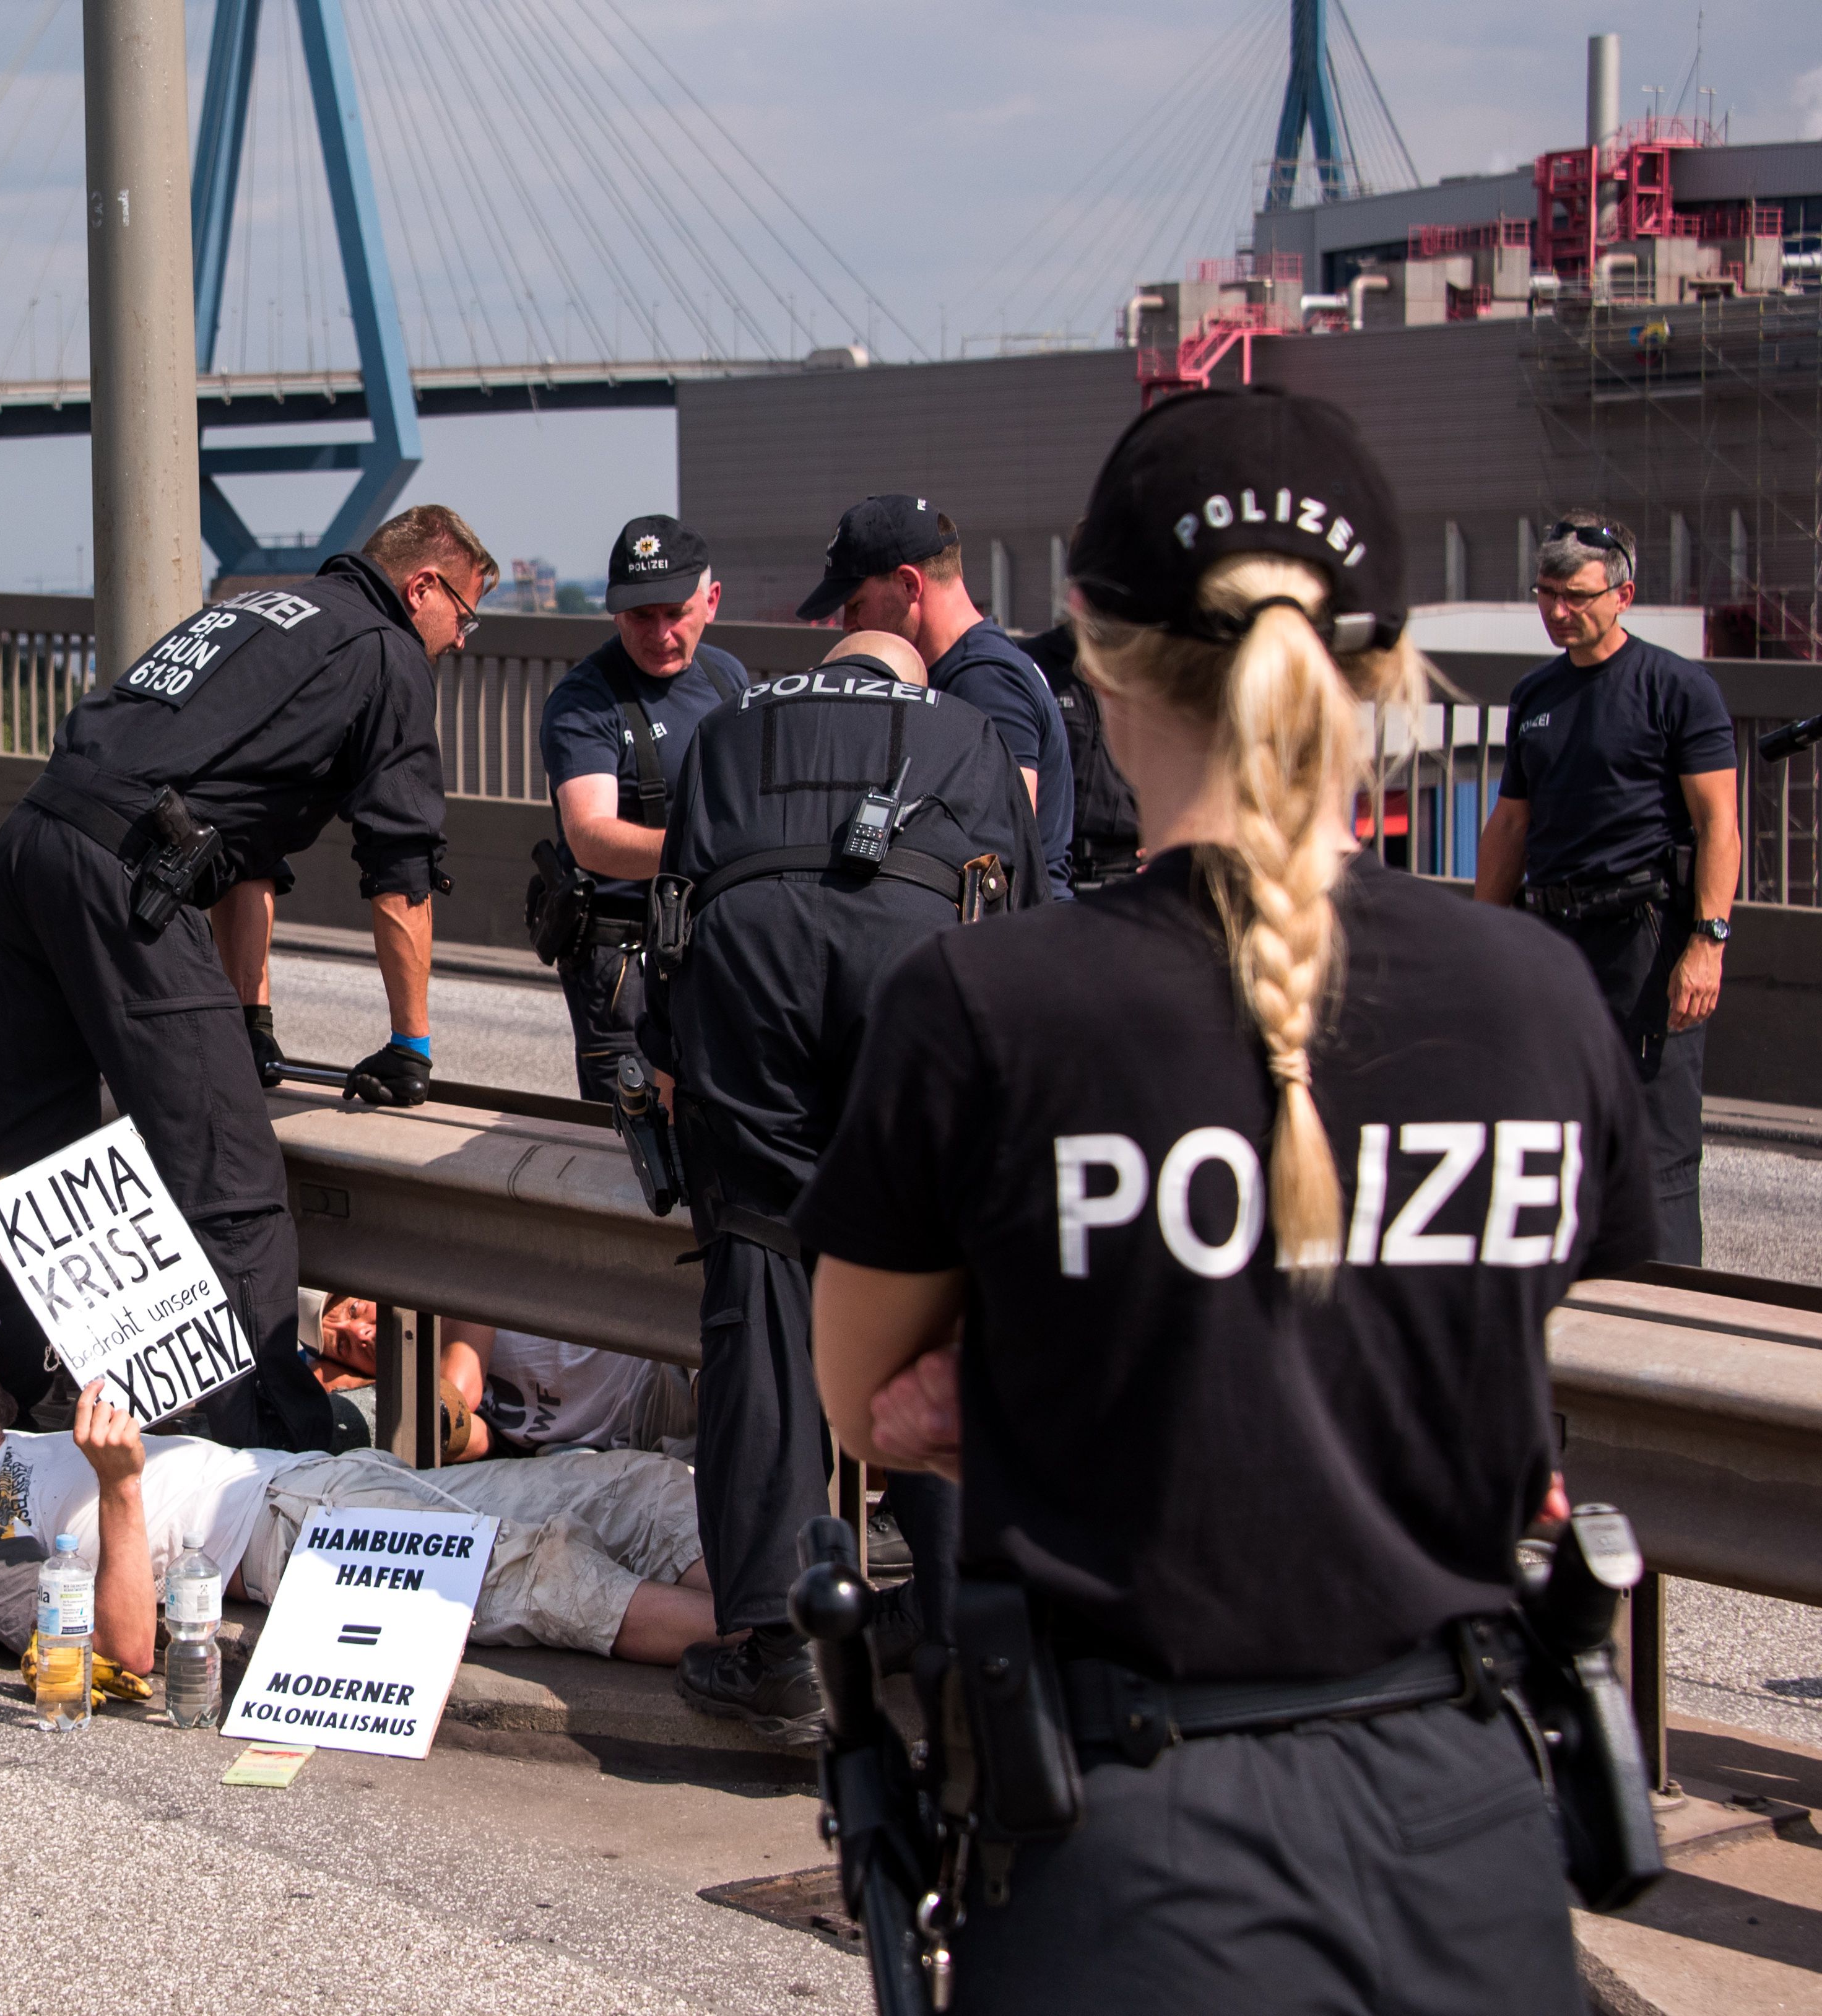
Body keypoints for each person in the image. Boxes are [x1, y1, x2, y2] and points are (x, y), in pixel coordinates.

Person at [802, 389, 1652, 2010]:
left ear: (1092, 645)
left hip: (1132, 1847)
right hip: (1469, 1825)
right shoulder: (1538, 997)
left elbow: (866, 1398)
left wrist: (1076, 1375)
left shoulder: (987, 1006)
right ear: (1381, 662)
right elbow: (1471, 1367)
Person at [0, 506, 493, 1455]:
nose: (463, 639)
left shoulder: (267, 611)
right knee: (229, 1181)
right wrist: (411, 1043)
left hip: (37, 837)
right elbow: (401, 868)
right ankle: (267, 1453)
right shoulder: (387, 651)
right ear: (423, 587)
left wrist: (248, 1015)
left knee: (21, 1149)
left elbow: (241, 856)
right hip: (125, 871)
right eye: (466, 616)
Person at [634, 628, 1041, 1743]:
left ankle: (782, 1653)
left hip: (751, 973)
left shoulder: (728, 726)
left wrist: (668, 1052)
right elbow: (1026, 923)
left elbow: (671, 915)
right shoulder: (970, 729)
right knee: (932, 1275)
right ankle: (964, 1635)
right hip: (918, 969)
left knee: (762, 1266)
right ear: (907, 679)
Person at [0, 1318, 719, 1670]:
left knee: (632, 1486)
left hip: (311, 1477)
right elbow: (121, 1653)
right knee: (547, 1574)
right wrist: (120, 1487)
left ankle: (756, 1612)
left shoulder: (33, 1441)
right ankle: (771, 1649)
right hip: (297, 1531)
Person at [1472, 513, 1737, 1264]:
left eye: (1576, 596)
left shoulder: (1676, 687)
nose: (1558, 611)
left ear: (1623, 595)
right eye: (1545, 593)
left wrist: (1707, 943)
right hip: (1554, 936)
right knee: (1551, 1124)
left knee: (1655, 1143)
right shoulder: (1535, 694)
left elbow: (1719, 824)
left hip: (1643, 938)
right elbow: (1510, 825)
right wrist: (1482, 942)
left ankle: (1662, 1302)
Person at [535, 515, 751, 1098]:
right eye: (640, 616)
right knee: (633, 1130)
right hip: (624, 960)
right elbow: (590, 836)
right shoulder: (584, 702)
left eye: (675, 613)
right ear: (615, 613)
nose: (660, 634)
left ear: (711, 602)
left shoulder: (727, 676)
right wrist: (716, 851)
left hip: (714, 941)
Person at [796, 495, 1077, 905]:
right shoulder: (970, 668)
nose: (848, 625)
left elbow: (1005, 844)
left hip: (1021, 929)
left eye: (856, 605)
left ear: (909, 585)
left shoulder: (984, 680)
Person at [311, 1294, 690, 1462]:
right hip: (640, 1445)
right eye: (343, 1345)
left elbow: (456, 1399)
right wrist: (355, 1388)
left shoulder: (443, 1294)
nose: (361, 1334)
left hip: (660, 1373)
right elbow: (474, 1440)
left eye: (355, 1309)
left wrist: (354, 1389)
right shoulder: (416, 1381)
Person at [1019, 606, 1145, 890]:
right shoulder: (1031, 665)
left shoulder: (1155, 665)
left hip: (1134, 871)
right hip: (1056, 873)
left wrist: (1173, 846)